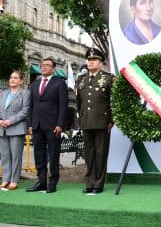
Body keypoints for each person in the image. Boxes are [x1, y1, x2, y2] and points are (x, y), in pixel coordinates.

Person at [26, 58, 68, 193]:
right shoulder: (34, 84)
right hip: (37, 125)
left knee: (53, 154)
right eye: (42, 65)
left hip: (53, 126)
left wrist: (60, 124)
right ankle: (41, 181)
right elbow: (31, 106)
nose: (44, 67)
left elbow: (63, 106)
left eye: (47, 65)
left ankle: (53, 182)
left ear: (53, 69)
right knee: (39, 155)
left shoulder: (60, 83)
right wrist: (30, 124)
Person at [76, 48, 114, 194]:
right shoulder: (81, 80)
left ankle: (98, 183)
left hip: (102, 121)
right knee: (89, 153)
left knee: (100, 153)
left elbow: (113, 101)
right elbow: (79, 103)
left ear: (100, 62)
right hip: (86, 121)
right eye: (89, 60)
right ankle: (89, 182)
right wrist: (81, 117)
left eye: (94, 60)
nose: (90, 62)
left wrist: (111, 120)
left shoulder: (109, 78)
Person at [0, 71, 30, 190]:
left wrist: (10, 121)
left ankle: (14, 180)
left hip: (17, 128)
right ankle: (5, 179)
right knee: (5, 156)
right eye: (11, 77)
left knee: (16, 155)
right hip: (2, 128)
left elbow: (25, 111)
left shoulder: (25, 93)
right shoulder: (2, 93)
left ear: (21, 81)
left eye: (16, 78)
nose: (12, 79)